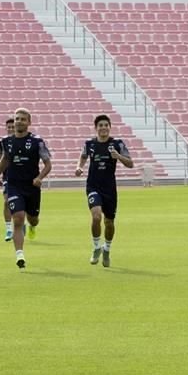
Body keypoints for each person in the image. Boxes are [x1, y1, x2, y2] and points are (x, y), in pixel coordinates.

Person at [0, 108, 51, 270]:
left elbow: (48, 164)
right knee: (18, 218)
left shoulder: (37, 142)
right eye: (17, 119)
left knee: (32, 218)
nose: (19, 121)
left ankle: (33, 226)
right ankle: (19, 254)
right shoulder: (6, 141)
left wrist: (40, 178)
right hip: (13, 185)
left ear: (29, 122)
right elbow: (6, 158)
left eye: (22, 119)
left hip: (32, 186)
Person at [75, 114, 134, 268]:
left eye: (106, 125)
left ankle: (106, 249)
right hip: (93, 186)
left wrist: (119, 156)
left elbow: (130, 164)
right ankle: (96, 248)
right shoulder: (89, 144)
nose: (103, 128)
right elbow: (82, 157)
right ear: (96, 128)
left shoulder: (117, 144)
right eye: (100, 125)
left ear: (109, 127)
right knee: (96, 217)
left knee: (109, 222)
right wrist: (79, 167)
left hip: (110, 188)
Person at [0, 117, 16, 241]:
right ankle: (9, 229)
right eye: (9, 127)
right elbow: (0, 153)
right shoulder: (4, 142)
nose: (11, 129)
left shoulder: (25, 140)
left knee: (24, 204)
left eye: (12, 126)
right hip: (8, 175)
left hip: (22, 176)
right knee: (7, 201)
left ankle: (21, 224)